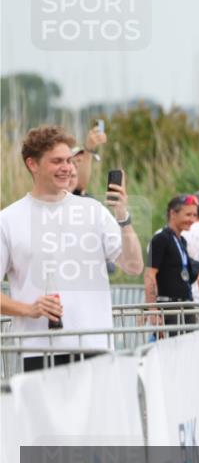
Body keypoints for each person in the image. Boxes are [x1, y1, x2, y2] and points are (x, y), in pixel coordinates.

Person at [0, 125, 142, 371]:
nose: (67, 167)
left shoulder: (93, 210)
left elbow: (134, 267)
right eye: (57, 161)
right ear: (32, 164)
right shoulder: (8, 220)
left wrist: (123, 217)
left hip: (97, 346)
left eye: (69, 160)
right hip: (39, 351)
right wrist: (29, 309)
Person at [145, 195, 199, 334]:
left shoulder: (182, 241)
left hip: (186, 306)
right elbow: (150, 275)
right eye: (188, 214)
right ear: (173, 213)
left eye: (195, 215)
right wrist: (153, 310)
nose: (192, 220)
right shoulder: (160, 239)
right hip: (169, 308)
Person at [69, 123, 106, 197]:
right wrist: (89, 148)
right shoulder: (65, 191)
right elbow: (79, 185)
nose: (82, 160)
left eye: (88, 162)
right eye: (78, 159)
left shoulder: (91, 199)